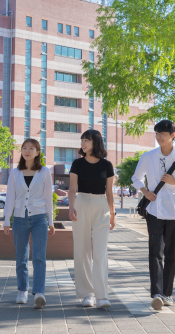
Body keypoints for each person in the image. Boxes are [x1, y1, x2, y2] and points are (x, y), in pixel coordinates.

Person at [131, 120, 175, 310]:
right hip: (154, 211)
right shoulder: (148, 157)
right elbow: (136, 178)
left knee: (172, 254)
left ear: (172, 135)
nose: (159, 136)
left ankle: (167, 294)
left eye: (163, 133)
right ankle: (156, 294)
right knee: (155, 252)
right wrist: (145, 191)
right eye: (157, 133)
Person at [3, 138, 55, 309]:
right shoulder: (15, 172)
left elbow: (48, 197)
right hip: (19, 218)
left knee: (39, 257)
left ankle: (39, 292)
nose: (27, 151)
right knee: (21, 257)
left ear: (37, 152)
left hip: (39, 218)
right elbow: (10, 197)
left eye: (31, 148)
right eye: (24, 148)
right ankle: (22, 291)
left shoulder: (45, 171)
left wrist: (51, 220)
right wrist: (6, 220)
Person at [68, 129, 116, 308]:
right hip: (81, 204)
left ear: (96, 142)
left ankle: (102, 295)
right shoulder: (77, 163)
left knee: (100, 252)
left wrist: (112, 214)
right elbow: (72, 189)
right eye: (82, 140)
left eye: (87, 140)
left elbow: (109, 192)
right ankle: (87, 294)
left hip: (101, 206)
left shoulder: (107, 165)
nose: (83, 143)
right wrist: (71, 207)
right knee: (82, 251)